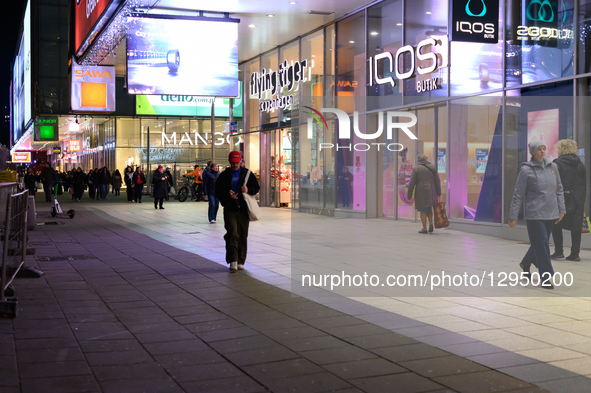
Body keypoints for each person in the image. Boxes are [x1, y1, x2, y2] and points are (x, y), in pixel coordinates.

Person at [509, 141, 565, 290]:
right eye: (539, 150)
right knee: (542, 244)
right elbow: (518, 194)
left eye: (544, 149)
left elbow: (559, 189)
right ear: (533, 153)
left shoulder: (554, 167)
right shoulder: (526, 171)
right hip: (535, 214)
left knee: (539, 243)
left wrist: (561, 209)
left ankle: (526, 262)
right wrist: (513, 216)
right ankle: (546, 277)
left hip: (551, 213)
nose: (542, 152)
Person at [215, 151, 260, 272]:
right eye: (232, 163)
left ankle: (241, 260)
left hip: (244, 209)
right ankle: (233, 260)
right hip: (230, 208)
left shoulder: (247, 174)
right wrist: (227, 194)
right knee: (232, 232)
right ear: (229, 162)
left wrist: (248, 189)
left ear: (240, 162)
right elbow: (218, 191)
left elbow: (256, 187)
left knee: (242, 235)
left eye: (237, 162)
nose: (235, 165)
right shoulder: (224, 175)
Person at [551, 139, 586, 261]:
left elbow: (553, 183)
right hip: (577, 199)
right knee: (576, 226)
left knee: (556, 224)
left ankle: (559, 251)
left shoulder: (557, 164)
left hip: (562, 198)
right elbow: (583, 184)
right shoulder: (580, 164)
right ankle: (575, 254)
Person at [407, 154, 441, 234]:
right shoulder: (432, 167)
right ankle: (431, 224)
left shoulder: (416, 169)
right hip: (432, 191)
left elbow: (412, 182)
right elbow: (437, 180)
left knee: (423, 210)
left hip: (421, 192)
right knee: (429, 209)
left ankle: (424, 228)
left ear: (418, 160)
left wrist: (409, 194)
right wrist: (438, 192)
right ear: (426, 159)